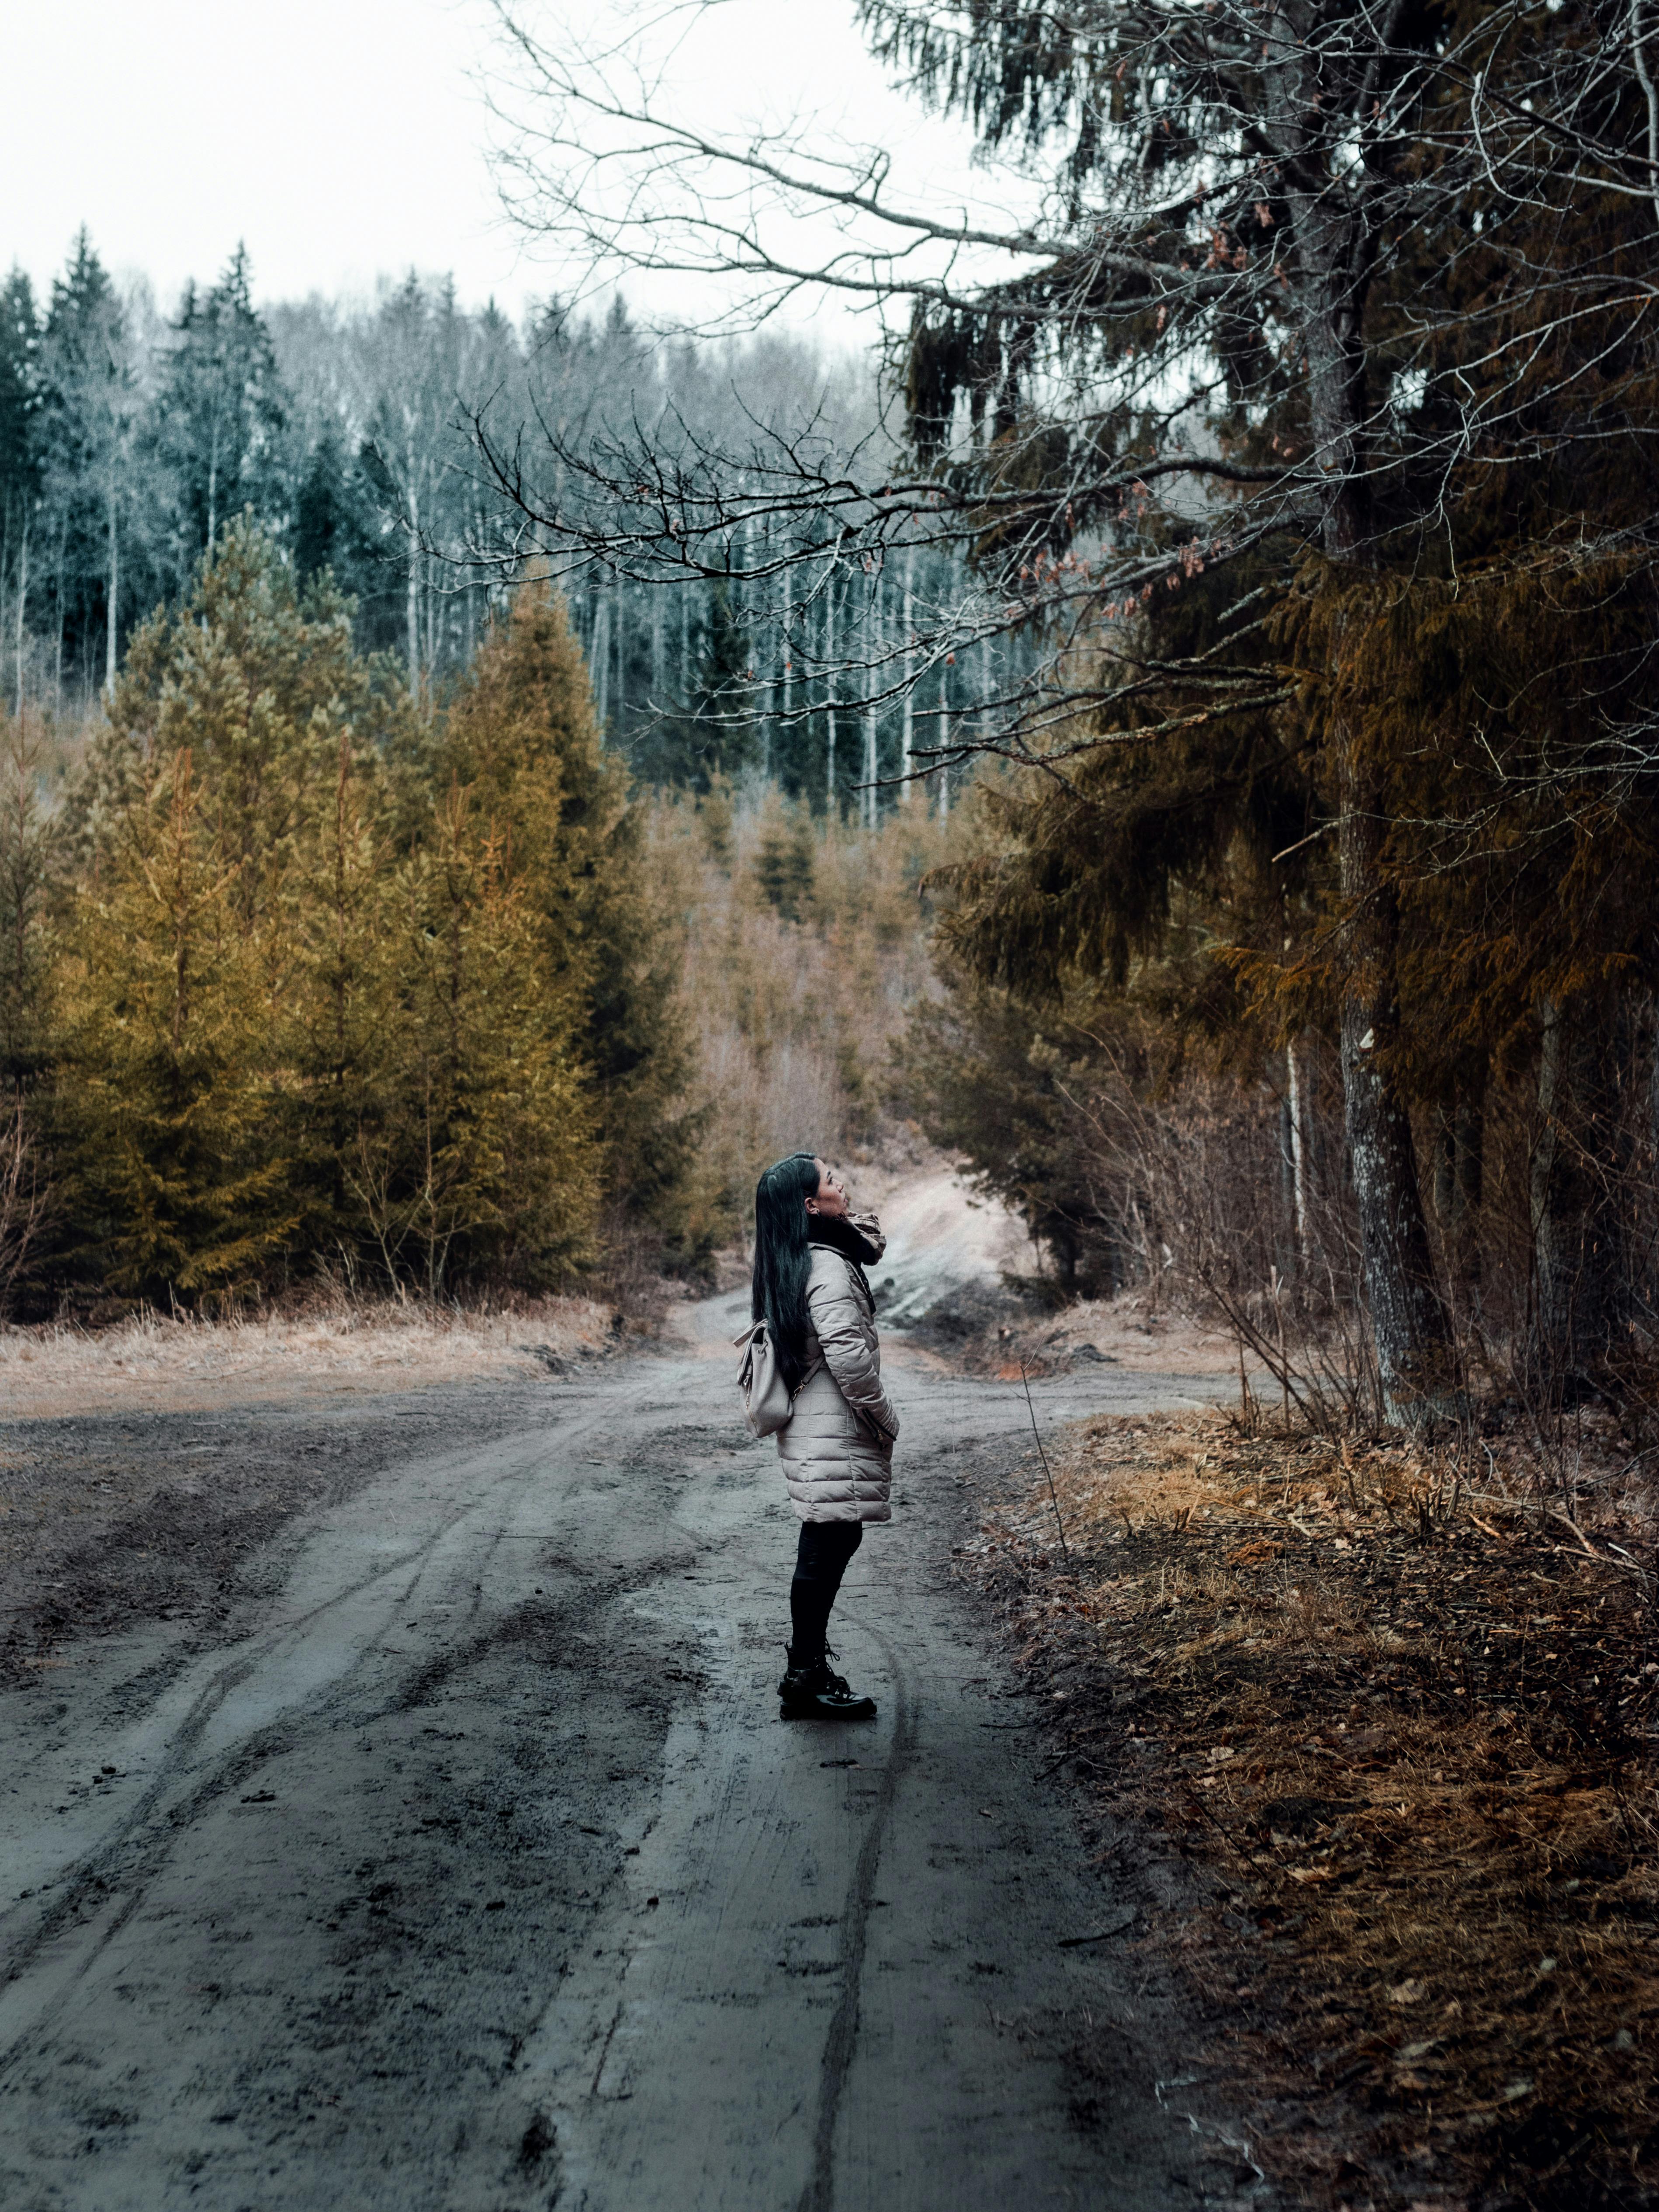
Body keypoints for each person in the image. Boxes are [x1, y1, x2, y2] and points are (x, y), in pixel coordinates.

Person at [750, 1151, 898, 1720]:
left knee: (832, 1538)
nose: (842, 1182)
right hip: (831, 1424)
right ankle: (804, 1675)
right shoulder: (826, 1264)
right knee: (827, 1541)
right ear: (810, 1204)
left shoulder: (801, 1255)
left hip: (816, 1424)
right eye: (831, 1179)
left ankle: (806, 1669)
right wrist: (886, 1417)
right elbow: (850, 1360)